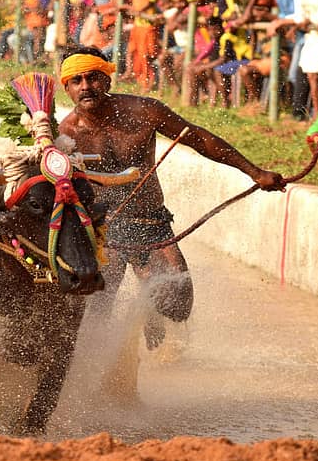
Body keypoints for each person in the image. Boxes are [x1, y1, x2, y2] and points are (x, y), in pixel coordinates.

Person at [57, 46, 285, 348]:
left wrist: (254, 172)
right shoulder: (65, 136)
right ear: (67, 88)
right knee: (97, 309)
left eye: (93, 77)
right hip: (102, 229)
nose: (86, 86)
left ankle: (147, 312)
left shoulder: (143, 111)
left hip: (149, 221)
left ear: (107, 79)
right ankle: (108, 363)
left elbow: (198, 138)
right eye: (77, 80)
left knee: (178, 301)